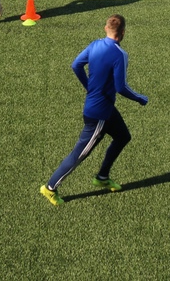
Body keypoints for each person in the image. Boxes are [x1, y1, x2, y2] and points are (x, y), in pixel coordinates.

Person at [40, 14, 149, 205]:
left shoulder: (95, 45)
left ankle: (102, 177)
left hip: (105, 108)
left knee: (123, 136)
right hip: (98, 115)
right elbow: (121, 87)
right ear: (123, 33)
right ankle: (50, 187)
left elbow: (76, 65)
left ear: (106, 28)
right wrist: (140, 98)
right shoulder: (120, 55)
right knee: (79, 154)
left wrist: (88, 85)